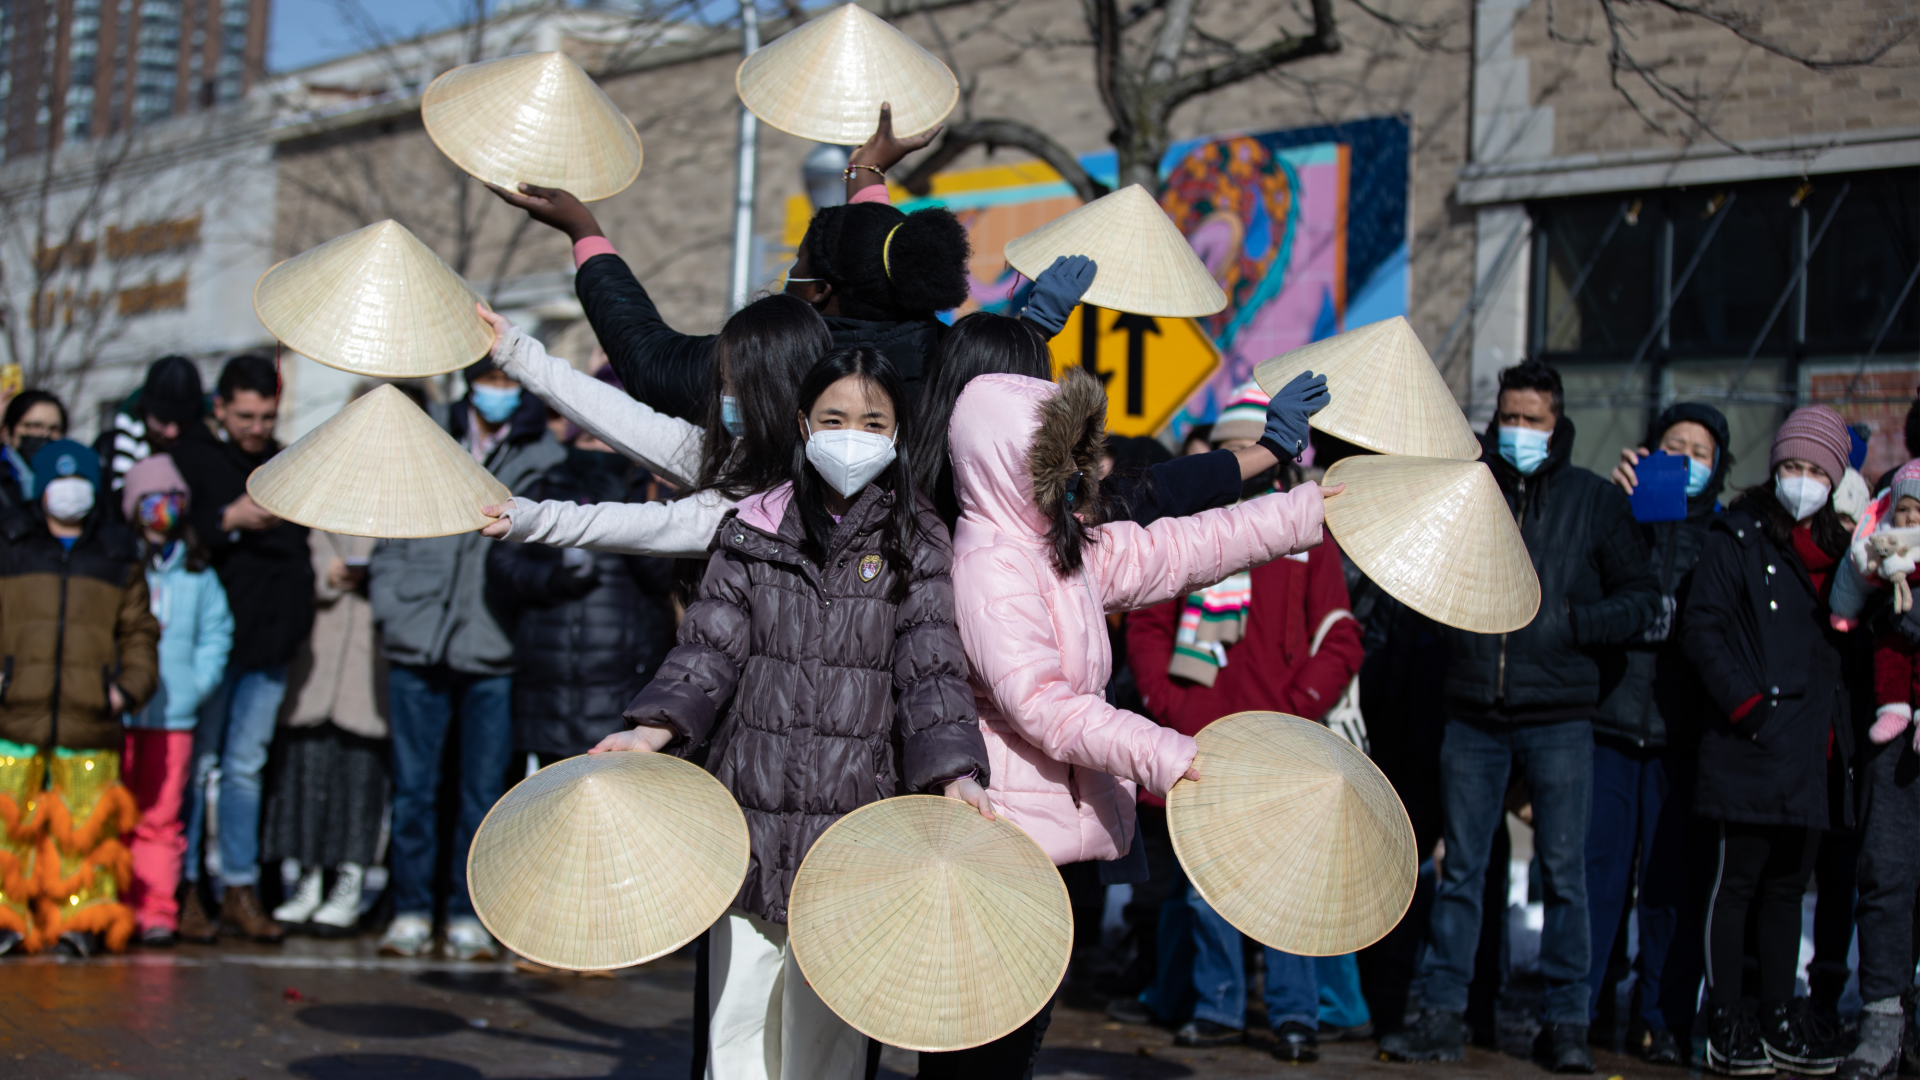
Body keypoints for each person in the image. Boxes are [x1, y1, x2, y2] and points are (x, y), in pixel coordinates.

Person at [603, 345, 991, 1080]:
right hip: (749, 817)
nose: (854, 434)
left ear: (899, 433)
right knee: (738, 1028)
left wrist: (956, 776)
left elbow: (931, 670)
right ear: (803, 426)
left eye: (873, 421)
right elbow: (708, 648)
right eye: (835, 418)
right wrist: (652, 728)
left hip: (855, 829)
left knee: (827, 1047)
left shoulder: (917, 537)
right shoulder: (752, 528)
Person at [938, 366, 1334, 1074]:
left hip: (1044, 834)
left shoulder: (1052, 545)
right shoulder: (990, 565)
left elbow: (1173, 550)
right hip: (1007, 835)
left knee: (1016, 1032)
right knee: (986, 1039)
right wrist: (1164, 753)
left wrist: (1301, 514)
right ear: (1006, 463)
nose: (1071, 478)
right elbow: (1046, 707)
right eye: (1052, 461)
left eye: (1073, 461)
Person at [1381, 360, 1659, 1073]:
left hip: (1560, 713)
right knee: (1463, 871)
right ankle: (1442, 1016)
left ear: (1557, 424)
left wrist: (1571, 622)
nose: (1518, 432)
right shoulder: (1469, 492)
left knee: (1564, 875)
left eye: (1532, 420)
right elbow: (1420, 574)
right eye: (1509, 418)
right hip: (1471, 709)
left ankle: (1565, 1025)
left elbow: (1640, 600)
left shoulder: (1596, 503)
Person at [1119, 381, 1365, 1061]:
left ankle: (1294, 1014)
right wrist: (1175, 708)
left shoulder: (1308, 540)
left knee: (1286, 884)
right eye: (1231, 453)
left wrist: (1294, 710)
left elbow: (1340, 636)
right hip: (1204, 738)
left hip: (1283, 740)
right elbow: (1146, 625)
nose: (1244, 467)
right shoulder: (1183, 536)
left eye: (1256, 453)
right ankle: (1217, 1006)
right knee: (1206, 887)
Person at [490, 106, 969, 421]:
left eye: (798, 261)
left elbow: (647, 356)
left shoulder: (770, 360)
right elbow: (876, 250)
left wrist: (585, 234)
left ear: (820, 289)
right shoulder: (956, 359)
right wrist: (866, 172)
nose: (791, 272)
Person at [369, 352, 563, 960]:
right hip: (418, 635)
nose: (498, 391)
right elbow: (390, 529)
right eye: (488, 379)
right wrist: (393, 608)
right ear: (468, 384)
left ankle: (464, 913)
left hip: (493, 645)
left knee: (482, 793)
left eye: (508, 381)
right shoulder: (428, 437)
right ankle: (408, 909)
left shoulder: (543, 455)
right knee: (415, 789)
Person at [1682, 405, 1854, 1077]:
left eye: (1816, 470)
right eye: (1792, 466)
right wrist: (1748, 708)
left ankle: (1780, 1013)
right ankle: (1729, 1018)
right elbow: (1704, 628)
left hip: (1814, 747)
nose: (1802, 480)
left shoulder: (1844, 547)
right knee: (1738, 884)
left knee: (1789, 890)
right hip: (1751, 743)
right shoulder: (1739, 535)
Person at [1589, 402, 1732, 1062]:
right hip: (1612, 726)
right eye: (1672, 447)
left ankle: (1663, 1017)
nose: (1685, 461)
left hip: (1683, 740)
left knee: (1673, 891)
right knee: (1600, 881)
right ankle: (1584, 1009)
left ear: (1719, 465)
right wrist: (1618, 509)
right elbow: (1583, 588)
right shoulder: (1618, 516)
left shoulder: (1727, 540)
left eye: (1700, 452)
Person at [478, 294, 829, 559]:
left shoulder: (777, 498)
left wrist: (532, 518)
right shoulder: (742, 461)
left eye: (732, 383)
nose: (724, 396)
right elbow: (622, 419)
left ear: (771, 388)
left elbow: (656, 525)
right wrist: (516, 353)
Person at [168, 354, 315, 944]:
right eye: (246, 415)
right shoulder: (192, 460)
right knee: (194, 766)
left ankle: (238, 887)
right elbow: (163, 532)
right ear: (221, 408)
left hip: (269, 643)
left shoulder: (286, 462)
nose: (257, 427)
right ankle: (180, 889)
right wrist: (227, 517)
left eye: (267, 416)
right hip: (207, 648)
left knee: (244, 771)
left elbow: (302, 543)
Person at [907, 311, 1297, 532]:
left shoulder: (896, 502)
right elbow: (1174, 514)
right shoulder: (1057, 520)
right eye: (1034, 383)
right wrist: (1271, 449)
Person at [0, 440, 160, 956]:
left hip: (91, 714)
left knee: (85, 821)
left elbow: (139, 631)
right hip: (14, 711)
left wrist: (127, 689)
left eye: (80, 479)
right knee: (7, 818)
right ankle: (7, 913)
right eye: (58, 478)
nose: (69, 490)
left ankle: (80, 918)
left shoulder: (117, 554)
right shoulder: (12, 544)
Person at [487, 432, 676, 766]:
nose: (599, 450)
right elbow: (502, 564)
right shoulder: (545, 488)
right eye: (588, 440)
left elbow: (665, 577)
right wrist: (550, 579)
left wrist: (627, 522)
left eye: (608, 440)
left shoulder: (647, 493)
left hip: (624, 680)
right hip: (551, 677)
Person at [118, 454, 232, 948]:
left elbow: (217, 633)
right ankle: (111, 902)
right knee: (113, 810)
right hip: (121, 713)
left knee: (163, 816)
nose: (162, 511)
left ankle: (157, 909)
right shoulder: (119, 568)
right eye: (151, 500)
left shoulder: (198, 573)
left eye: (171, 501)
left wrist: (194, 685)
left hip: (173, 717)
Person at [262, 528, 388, 936]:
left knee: (359, 783)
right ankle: (306, 878)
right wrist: (324, 575)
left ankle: (349, 882)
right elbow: (287, 563)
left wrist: (373, 576)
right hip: (314, 659)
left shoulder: (402, 510)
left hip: (369, 664)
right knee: (304, 778)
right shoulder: (315, 508)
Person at [95, 356, 206, 496]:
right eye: (163, 421)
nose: (173, 432)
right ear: (144, 412)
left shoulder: (214, 446)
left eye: (182, 422)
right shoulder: (108, 449)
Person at [0, 390, 67, 515]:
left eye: (54, 429)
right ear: (7, 431)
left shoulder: (72, 477)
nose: (44, 435)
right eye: (34, 426)